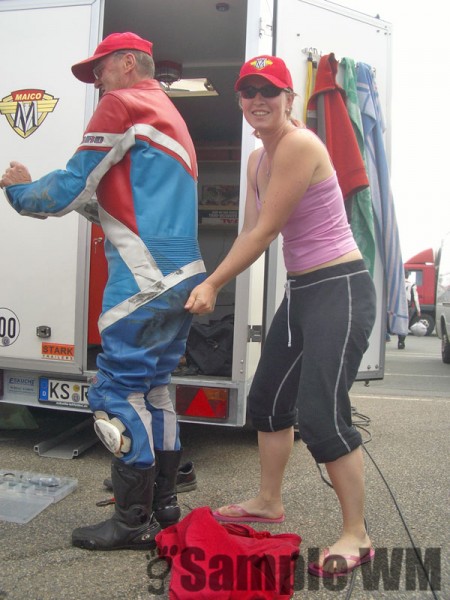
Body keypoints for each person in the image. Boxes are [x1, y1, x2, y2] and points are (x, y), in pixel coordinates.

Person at [0, 32, 206, 550]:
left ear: (129, 62)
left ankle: (130, 522)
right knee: (156, 390)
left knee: (117, 394)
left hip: (141, 275)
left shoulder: (122, 103)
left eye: (101, 68)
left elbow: (69, 186)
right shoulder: (167, 112)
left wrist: (17, 190)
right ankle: (164, 508)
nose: (97, 81)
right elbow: (104, 200)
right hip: (181, 274)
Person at [185, 55, 376, 577]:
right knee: (267, 400)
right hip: (301, 292)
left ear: (290, 98)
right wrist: (202, 274)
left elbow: (266, 232)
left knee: (320, 413)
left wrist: (212, 282)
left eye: (270, 90)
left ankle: (357, 534)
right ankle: (269, 501)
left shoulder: (299, 145)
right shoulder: (255, 161)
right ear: (240, 101)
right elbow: (251, 231)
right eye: (248, 91)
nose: (257, 100)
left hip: (340, 288)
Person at [398, 271, 421, 349]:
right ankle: (402, 341)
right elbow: (415, 298)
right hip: (409, 307)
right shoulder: (412, 285)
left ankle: (399, 340)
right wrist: (418, 310)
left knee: (400, 323)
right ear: (408, 276)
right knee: (405, 324)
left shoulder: (398, 283)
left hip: (399, 306)